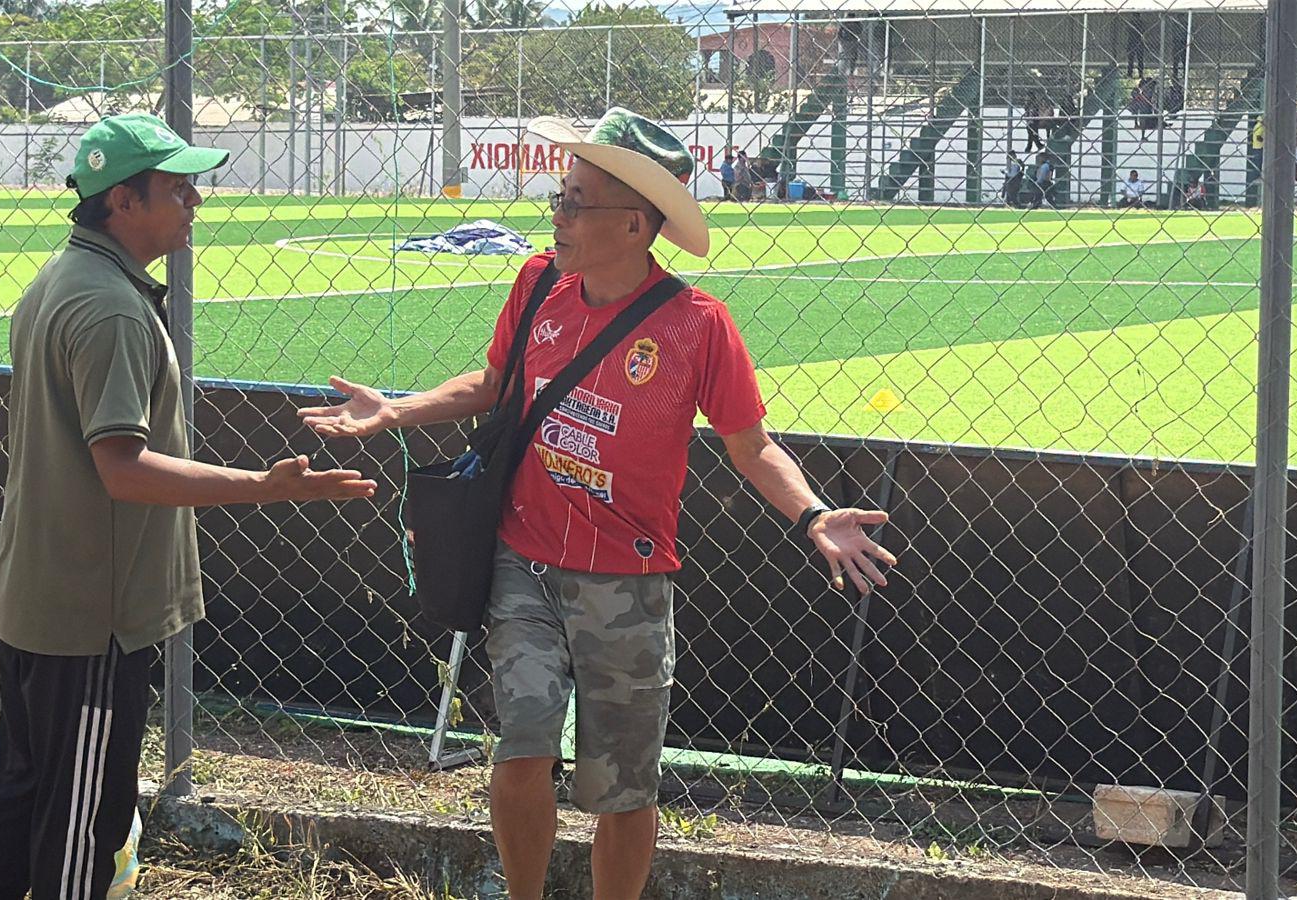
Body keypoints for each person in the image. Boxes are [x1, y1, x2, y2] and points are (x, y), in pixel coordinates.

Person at [299, 108, 896, 900]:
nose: (557, 215)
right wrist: (398, 410)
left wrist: (813, 515)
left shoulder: (697, 325)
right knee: (522, 746)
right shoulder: (537, 282)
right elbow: (493, 384)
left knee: (624, 789)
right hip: (524, 563)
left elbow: (752, 447)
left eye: (576, 202)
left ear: (635, 225)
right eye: (560, 195)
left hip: (627, 581)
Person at [0, 113, 377, 900]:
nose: (194, 203)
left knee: (15, 799)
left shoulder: (65, 279)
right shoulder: (109, 307)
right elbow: (125, 470)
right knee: (84, 822)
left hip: (43, 595)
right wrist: (265, 486)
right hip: (92, 615)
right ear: (121, 202)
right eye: (177, 189)